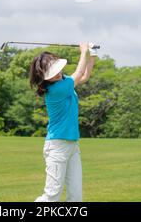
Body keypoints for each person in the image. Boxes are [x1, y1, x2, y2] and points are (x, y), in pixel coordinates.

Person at [29, 42, 97, 202]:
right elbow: (79, 72)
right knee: (52, 195)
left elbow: (84, 76)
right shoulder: (55, 90)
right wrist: (83, 51)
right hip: (57, 146)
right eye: (52, 72)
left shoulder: (64, 81)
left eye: (57, 70)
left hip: (73, 145)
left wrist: (92, 55)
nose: (57, 74)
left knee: (75, 196)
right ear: (45, 77)